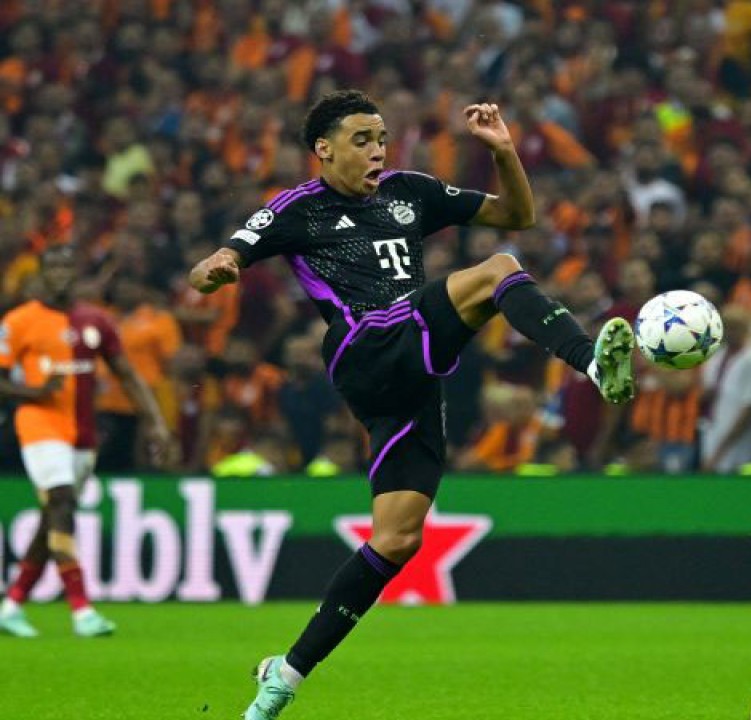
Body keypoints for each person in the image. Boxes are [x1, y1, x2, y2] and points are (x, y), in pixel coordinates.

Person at [187, 90, 635, 720]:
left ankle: (281, 678)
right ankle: (591, 362)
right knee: (498, 269)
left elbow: (517, 213)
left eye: (381, 139)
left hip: (410, 379)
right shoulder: (297, 209)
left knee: (397, 539)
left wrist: (504, 151)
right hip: (365, 347)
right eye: (362, 140)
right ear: (324, 149)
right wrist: (219, 267)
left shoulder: (408, 193)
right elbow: (220, 260)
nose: (378, 150)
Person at [0, 246, 174, 638]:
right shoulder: (19, 321)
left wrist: (156, 423)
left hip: (82, 433)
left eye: (67, 266)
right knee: (61, 501)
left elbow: (127, 375)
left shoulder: (96, 321)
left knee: (53, 517)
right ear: (41, 274)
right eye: (53, 266)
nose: (60, 273)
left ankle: (12, 604)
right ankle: (82, 610)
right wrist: (33, 393)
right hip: (39, 424)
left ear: (76, 272)